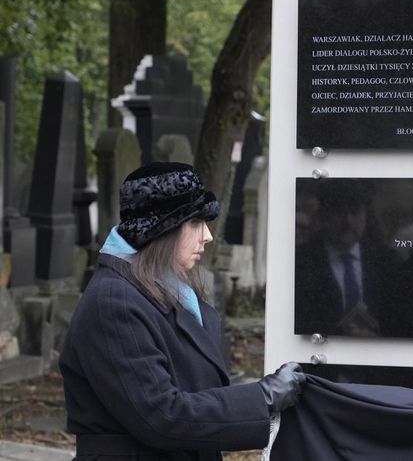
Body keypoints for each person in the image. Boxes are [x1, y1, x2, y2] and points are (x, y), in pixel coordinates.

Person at [59, 162, 306, 460]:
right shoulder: (115, 302)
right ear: (163, 226)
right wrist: (263, 398)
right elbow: (162, 415)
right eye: (195, 223)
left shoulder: (165, 288)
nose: (208, 236)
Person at [294, 178, 401, 336]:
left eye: (355, 212)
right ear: (324, 215)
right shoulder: (301, 262)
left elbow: (400, 319)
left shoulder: (386, 261)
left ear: (365, 215)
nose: (348, 221)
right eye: (339, 212)